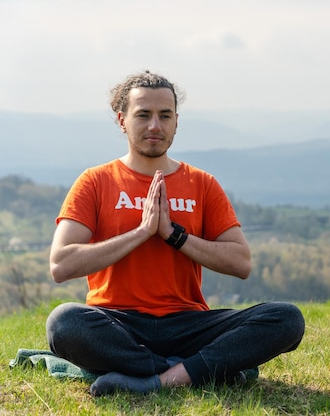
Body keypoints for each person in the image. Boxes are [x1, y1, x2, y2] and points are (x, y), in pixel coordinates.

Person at [45, 71, 305, 396]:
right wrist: (141, 232)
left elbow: (241, 262)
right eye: (143, 115)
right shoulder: (95, 181)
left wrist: (174, 235)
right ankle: (198, 370)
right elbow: (61, 264)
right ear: (122, 120)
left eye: (164, 115)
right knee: (64, 322)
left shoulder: (202, 183)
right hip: (118, 322)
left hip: (188, 322)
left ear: (176, 122)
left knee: (286, 319)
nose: (155, 125)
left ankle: (156, 377)